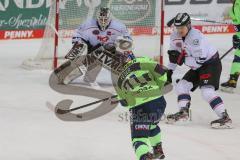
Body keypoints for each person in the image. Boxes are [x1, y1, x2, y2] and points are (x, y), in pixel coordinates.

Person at [166, 13, 232, 128]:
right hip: (197, 66)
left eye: (182, 27)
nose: (179, 30)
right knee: (181, 86)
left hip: (210, 64)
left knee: (206, 92)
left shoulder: (196, 38)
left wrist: (183, 59)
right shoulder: (174, 36)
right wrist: (169, 72)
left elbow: (199, 61)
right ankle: (183, 113)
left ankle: (225, 117)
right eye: (177, 28)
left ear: (189, 25)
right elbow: (173, 57)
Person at [114, 55, 168, 160]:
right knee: (152, 125)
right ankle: (157, 149)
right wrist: (156, 88)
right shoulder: (144, 60)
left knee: (138, 139)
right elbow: (162, 74)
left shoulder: (120, 77)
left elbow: (126, 103)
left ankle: (145, 157)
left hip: (140, 107)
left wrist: (121, 98)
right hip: (159, 102)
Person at [65, 7, 133, 85]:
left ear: (110, 18)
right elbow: (77, 34)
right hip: (93, 51)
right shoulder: (88, 25)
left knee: (124, 52)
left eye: (105, 19)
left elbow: (128, 41)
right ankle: (69, 73)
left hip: (110, 52)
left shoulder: (119, 27)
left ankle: (125, 73)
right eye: (101, 19)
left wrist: (123, 50)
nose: (103, 21)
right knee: (80, 49)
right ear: (97, 18)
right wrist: (78, 44)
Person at [221, 0, 240, 92]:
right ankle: (232, 80)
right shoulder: (234, 5)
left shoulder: (238, 3)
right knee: (238, 57)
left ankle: (233, 80)